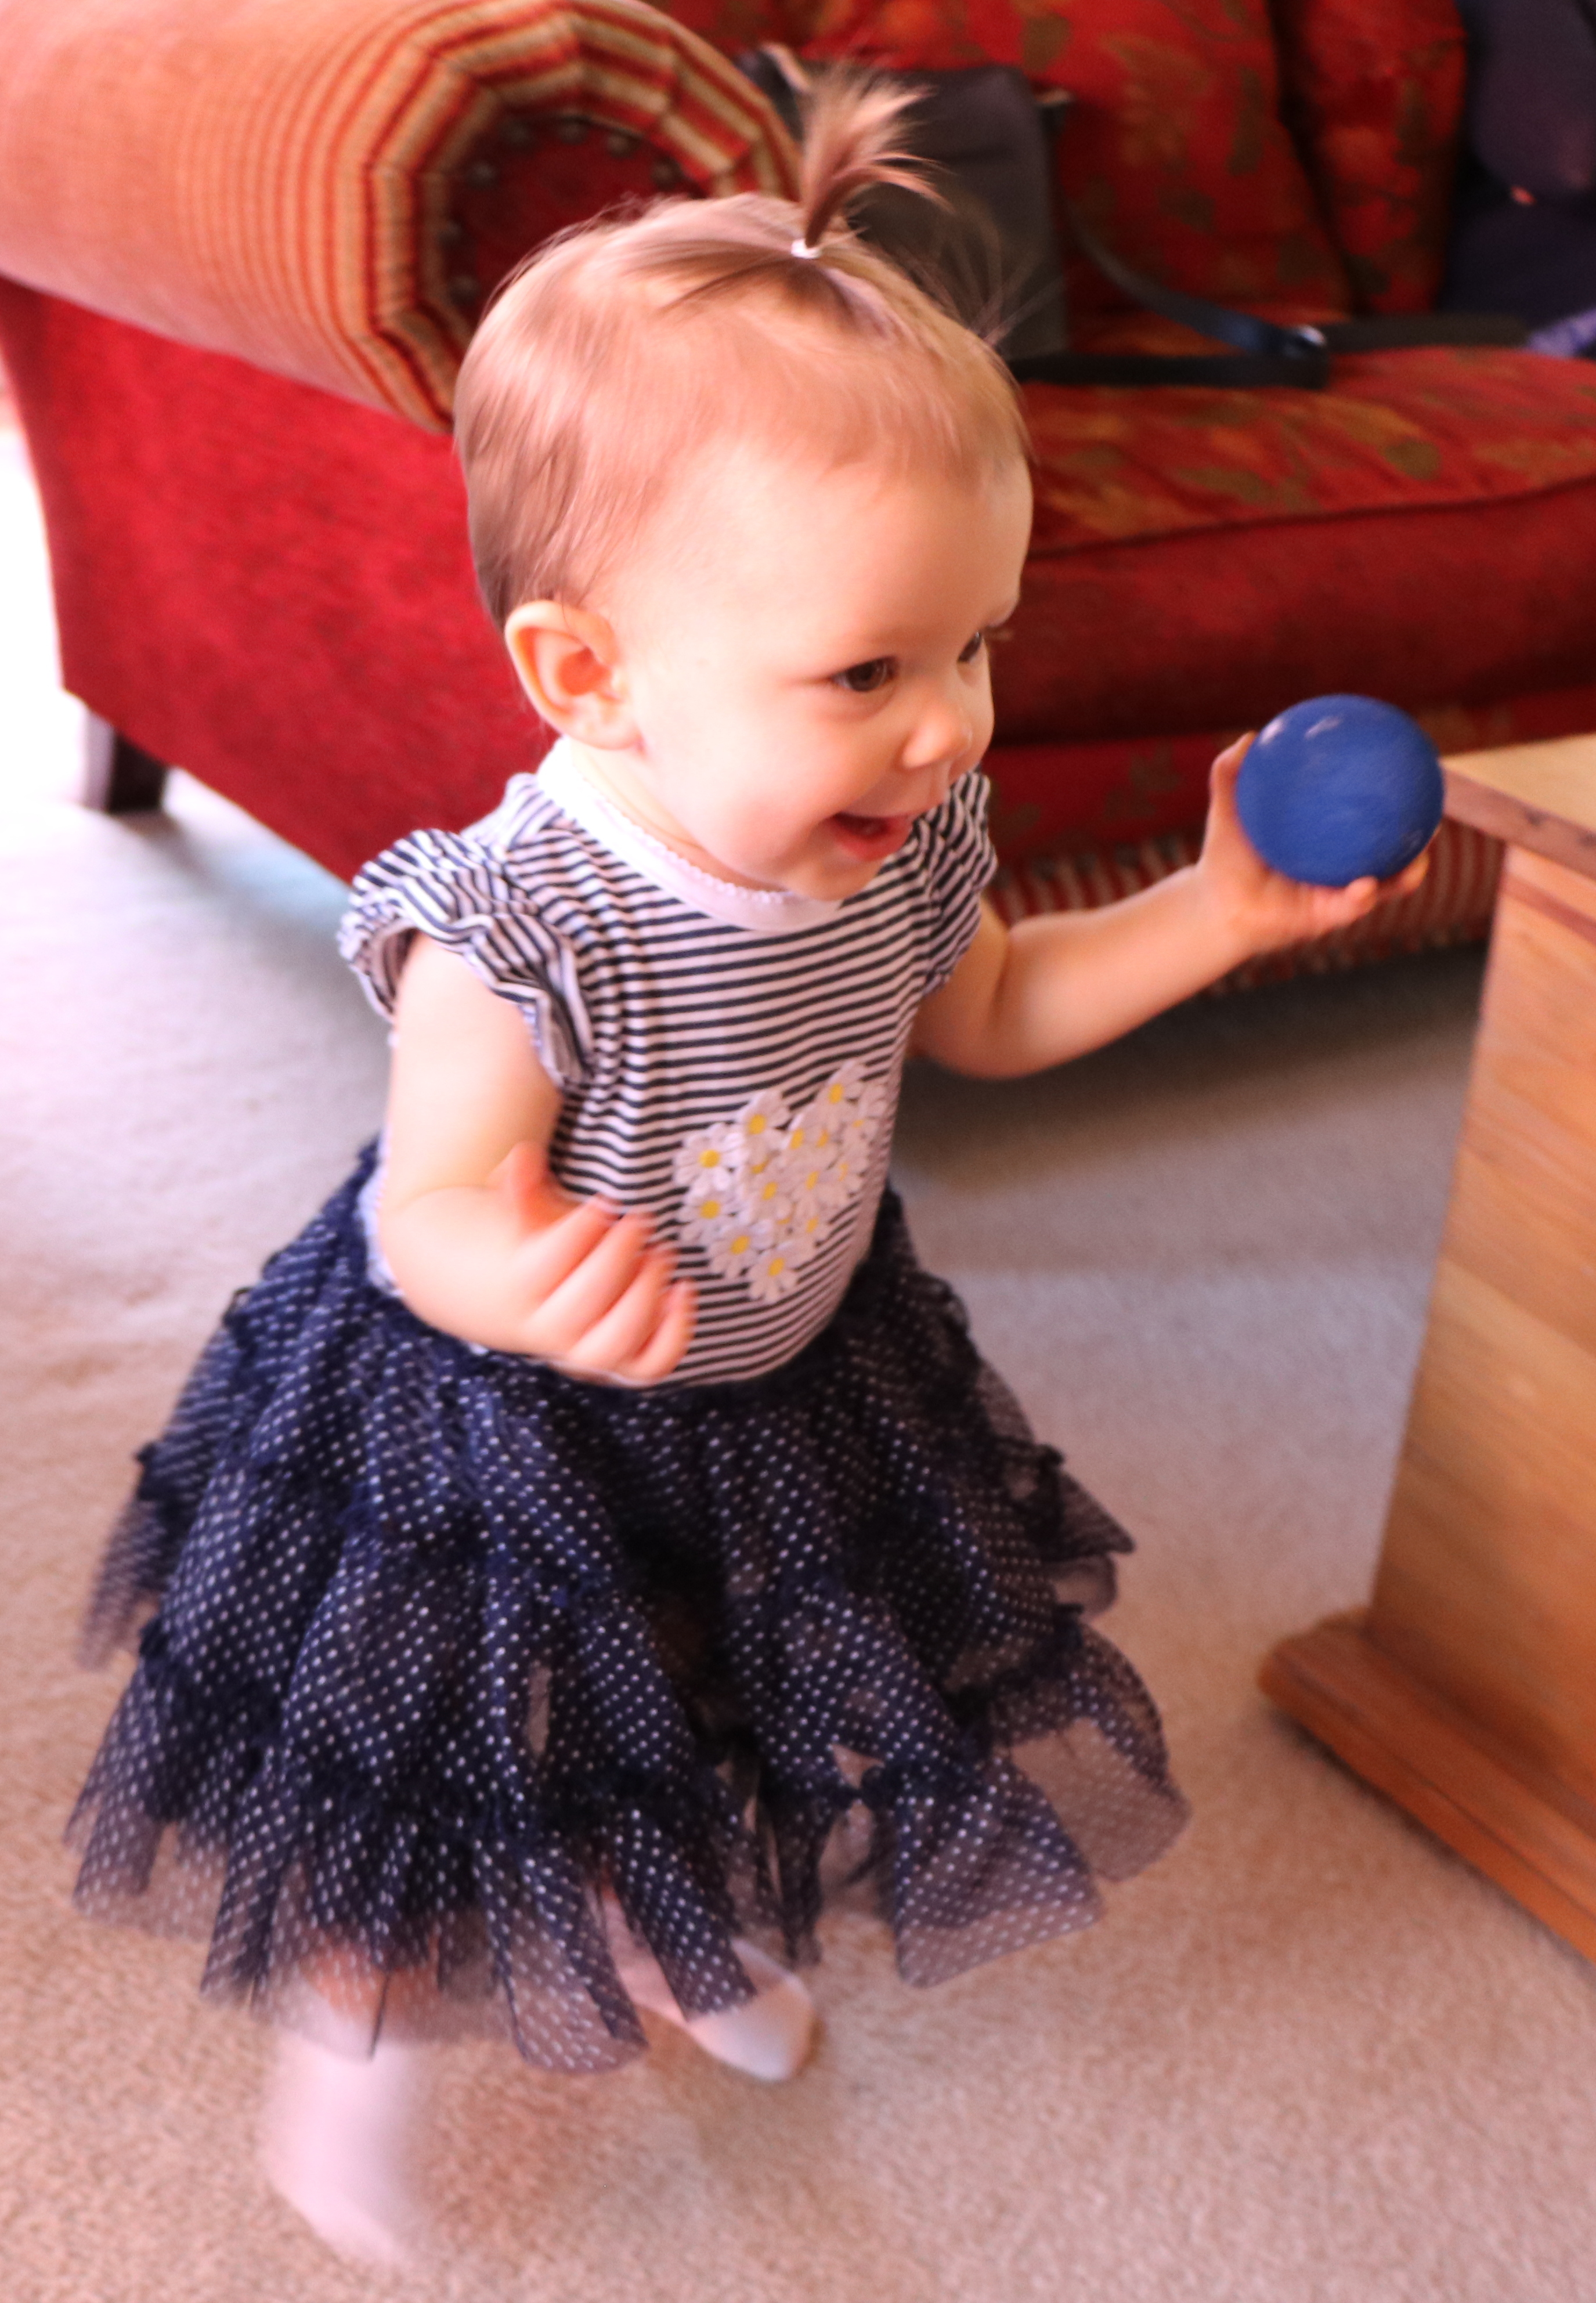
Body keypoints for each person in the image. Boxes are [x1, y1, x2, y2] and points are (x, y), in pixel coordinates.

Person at [65, 81, 1425, 2269]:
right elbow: (431, 1207)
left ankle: (668, 1927)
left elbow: (989, 1013)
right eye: (868, 670)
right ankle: (357, 2043)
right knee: (453, 1760)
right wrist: (516, 1274)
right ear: (588, 674)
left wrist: (1217, 914)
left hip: (784, 1378)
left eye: (974, 643)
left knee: (712, 1696)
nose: (949, 723)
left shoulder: (903, 834)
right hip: (506, 1418)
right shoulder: (524, 930)